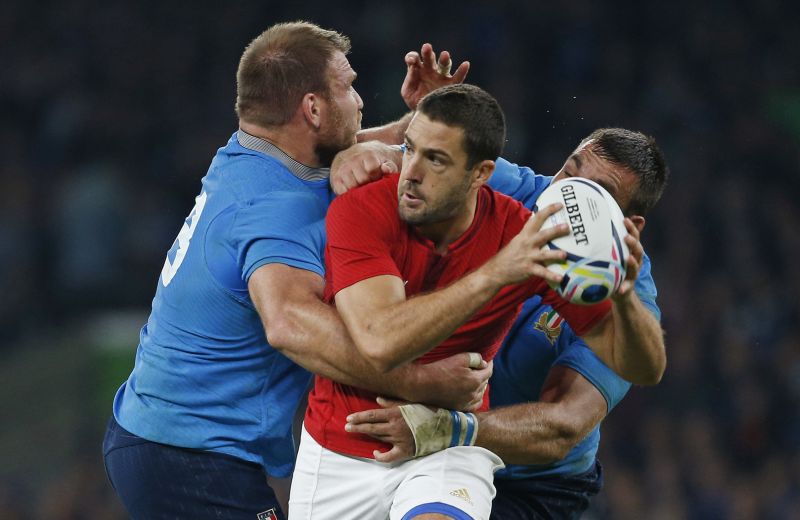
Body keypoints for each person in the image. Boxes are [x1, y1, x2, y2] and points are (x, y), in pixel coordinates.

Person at [101, 22, 486, 520]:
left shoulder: (252, 155)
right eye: (347, 87)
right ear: (312, 108)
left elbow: (348, 143)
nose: (360, 101)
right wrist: (422, 382)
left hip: (161, 438)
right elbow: (288, 322)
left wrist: (426, 117)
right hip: (187, 455)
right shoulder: (275, 209)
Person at [289, 85, 665, 520]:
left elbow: (567, 424)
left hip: (531, 481)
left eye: (594, 194)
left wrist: (449, 429)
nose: (569, 197)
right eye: (569, 172)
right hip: (410, 430)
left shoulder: (625, 286)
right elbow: (418, 157)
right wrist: (357, 153)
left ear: (628, 224)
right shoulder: (522, 195)